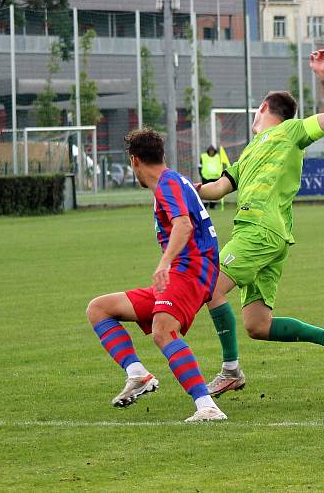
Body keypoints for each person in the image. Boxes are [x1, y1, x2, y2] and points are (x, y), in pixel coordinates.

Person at [196, 49, 324, 397]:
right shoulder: (248, 151)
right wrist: (187, 190)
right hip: (270, 237)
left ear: (264, 108)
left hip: (260, 230)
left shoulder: (292, 131)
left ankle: (230, 370)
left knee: (208, 286)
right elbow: (219, 188)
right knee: (257, 325)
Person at [86, 128, 226, 422]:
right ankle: (137, 374)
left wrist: (164, 262)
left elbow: (184, 225)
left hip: (191, 270)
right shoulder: (173, 182)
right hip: (182, 272)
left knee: (163, 331)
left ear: (135, 160)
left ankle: (207, 407)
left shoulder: (167, 183)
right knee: (99, 309)